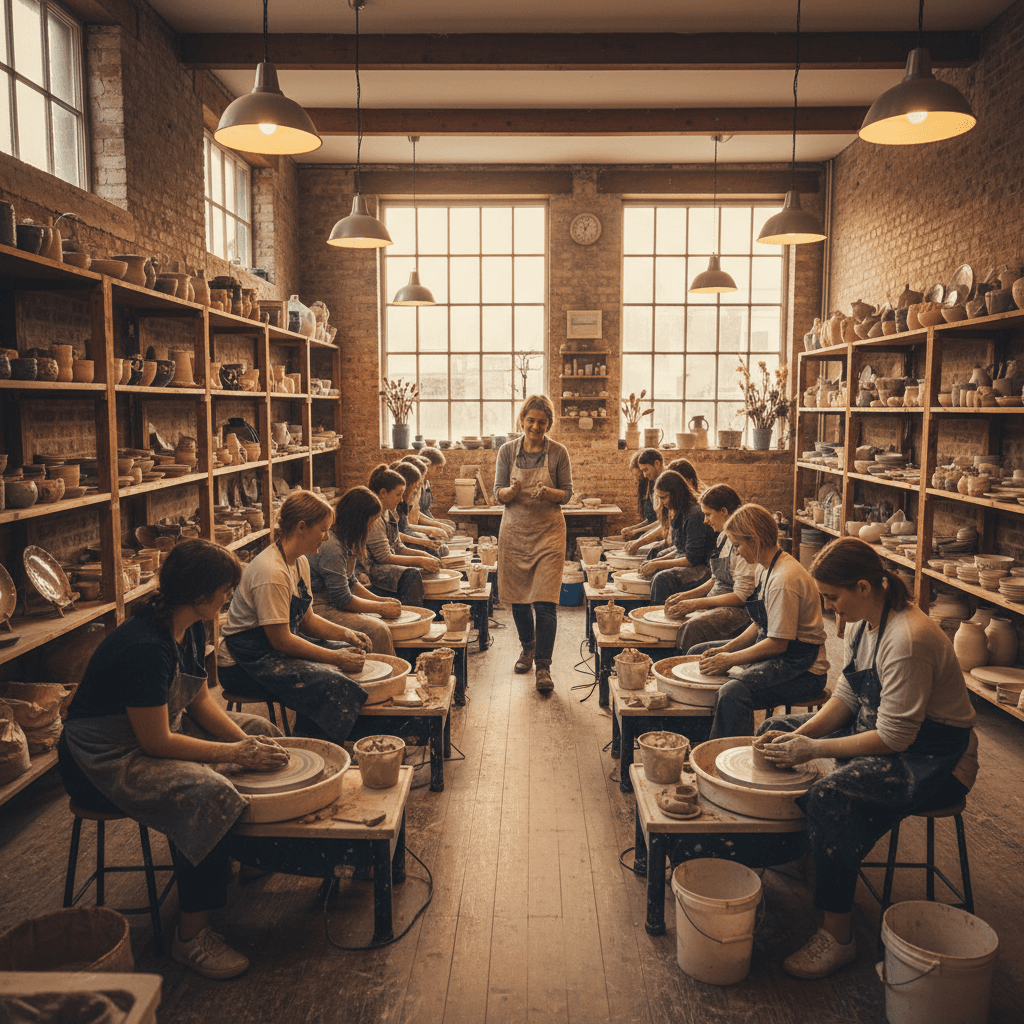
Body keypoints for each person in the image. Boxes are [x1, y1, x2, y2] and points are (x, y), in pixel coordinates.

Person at [59, 540, 289, 979]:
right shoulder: (146, 645)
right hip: (101, 759)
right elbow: (157, 742)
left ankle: (240, 848)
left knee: (263, 732)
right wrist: (234, 753)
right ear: (200, 594)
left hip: (152, 733)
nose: (229, 599)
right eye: (225, 590)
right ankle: (192, 939)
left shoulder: (193, 624)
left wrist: (245, 742)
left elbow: (199, 699)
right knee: (207, 793)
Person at [757, 537, 978, 980]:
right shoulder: (862, 622)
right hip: (883, 730)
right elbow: (847, 695)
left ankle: (838, 936)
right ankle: (812, 852)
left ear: (863, 587)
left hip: (936, 759)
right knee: (772, 732)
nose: (831, 608)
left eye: (833, 598)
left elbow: (895, 738)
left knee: (831, 795)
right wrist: (799, 735)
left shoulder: (908, 638)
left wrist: (814, 749)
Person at [219, 490, 372, 744]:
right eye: (323, 530)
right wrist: (335, 658)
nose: (326, 537)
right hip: (242, 664)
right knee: (330, 679)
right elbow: (282, 642)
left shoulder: (299, 561)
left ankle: (317, 735)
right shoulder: (271, 572)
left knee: (349, 651)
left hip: (270, 648)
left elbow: (307, 620)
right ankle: (315, 746)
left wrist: (346, 634)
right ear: (302, 527)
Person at [694, 503, 829, 739]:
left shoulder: (783, 579)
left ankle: (731, 758)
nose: (736, 553)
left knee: (733, 692)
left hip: (805, 672)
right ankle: (703, 742)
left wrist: (730, 659)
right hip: (779, 657)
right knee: (700, 652)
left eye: (737, 545)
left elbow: (778, 643)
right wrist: (724, 650)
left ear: (754, 540)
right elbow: (760, 624)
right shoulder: (764, 567)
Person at [494, 394, 574, 692]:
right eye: (530, 421)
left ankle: (543, 666)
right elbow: (497, 493)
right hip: (515, 532)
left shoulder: (559, 452)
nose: (536, 427)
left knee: (545, 601)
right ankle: (527, 647)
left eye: (542, 422)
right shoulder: (506, 451)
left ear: (549, 424)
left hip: (548, 533)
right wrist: (511, 491)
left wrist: (549, 493)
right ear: (522, 421)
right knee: (517, 598)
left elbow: (567, 493)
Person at [308, 485, 404, 656]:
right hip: (317, 607)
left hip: (331, 602)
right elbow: (342, 599)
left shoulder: (345, 540)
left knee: (380, 620)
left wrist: (380, 601)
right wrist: (380, 608)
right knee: (378, 629)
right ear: (359, 520)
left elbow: (351, 581)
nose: (373, 525)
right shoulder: (332, 546)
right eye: (372, 520)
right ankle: (386, 676)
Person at [664, 484, 753, 650]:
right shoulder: (723, 537)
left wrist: (696, 604)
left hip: (741, 611)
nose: (704, 520)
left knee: (692, 627)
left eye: (708, 514)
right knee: (676, 619)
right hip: (718, 601)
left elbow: (741, 596)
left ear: (724, 511)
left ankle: (685, 670)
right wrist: (686, 596)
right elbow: (715, 579)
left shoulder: (742, 543)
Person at [361, 463, 441, 604]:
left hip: (385, 562)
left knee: (425, 563)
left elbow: (398, 546)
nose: (401, 499)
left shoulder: (390, 512)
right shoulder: (374, 518)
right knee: (411, 574)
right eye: (398, 494)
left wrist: (423, 555)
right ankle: (414, 614)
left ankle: (434, 610)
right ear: (383, 493)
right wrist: (419, 560)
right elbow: (384, 557)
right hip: (370, 569)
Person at [641, 469, 715, 600]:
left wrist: (658, 565)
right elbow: (680, 548)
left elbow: (692, 559)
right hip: (689, 560)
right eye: (659, 498)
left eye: (664, 497)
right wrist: (654, 562)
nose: (662, 502)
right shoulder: (680, 511)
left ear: (677, 494)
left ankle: (658, 615)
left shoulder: (695, 515)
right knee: (653, 561)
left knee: (661, 579)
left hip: (702, 569)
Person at [392, 460, 449, 556]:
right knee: (436, 552)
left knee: (441, 549)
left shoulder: (405, 503)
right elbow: (395, 535)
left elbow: (406, 526)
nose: (417, 490)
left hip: (405, 536)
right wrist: (425, 540)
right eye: (415, 487)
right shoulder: (395, 503)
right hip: (398, 544)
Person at [411, 447, 457, 537]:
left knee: (451, 524)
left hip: (425, 518)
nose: (440, 472)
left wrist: (435, 522)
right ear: (427, 466)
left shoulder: (426, 482)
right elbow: (414, 514)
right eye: (438, 468)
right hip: (416, 523)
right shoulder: (414, 484)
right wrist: (437, 525)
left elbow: (426, 510)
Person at [620, 449, 660, 542]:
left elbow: (663, 522)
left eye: (638, 475)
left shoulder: (659, 488)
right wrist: (632, 529)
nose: (636, 479)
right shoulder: (647, 487)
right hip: (650, 531)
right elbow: (650, 519)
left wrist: (636, 531)